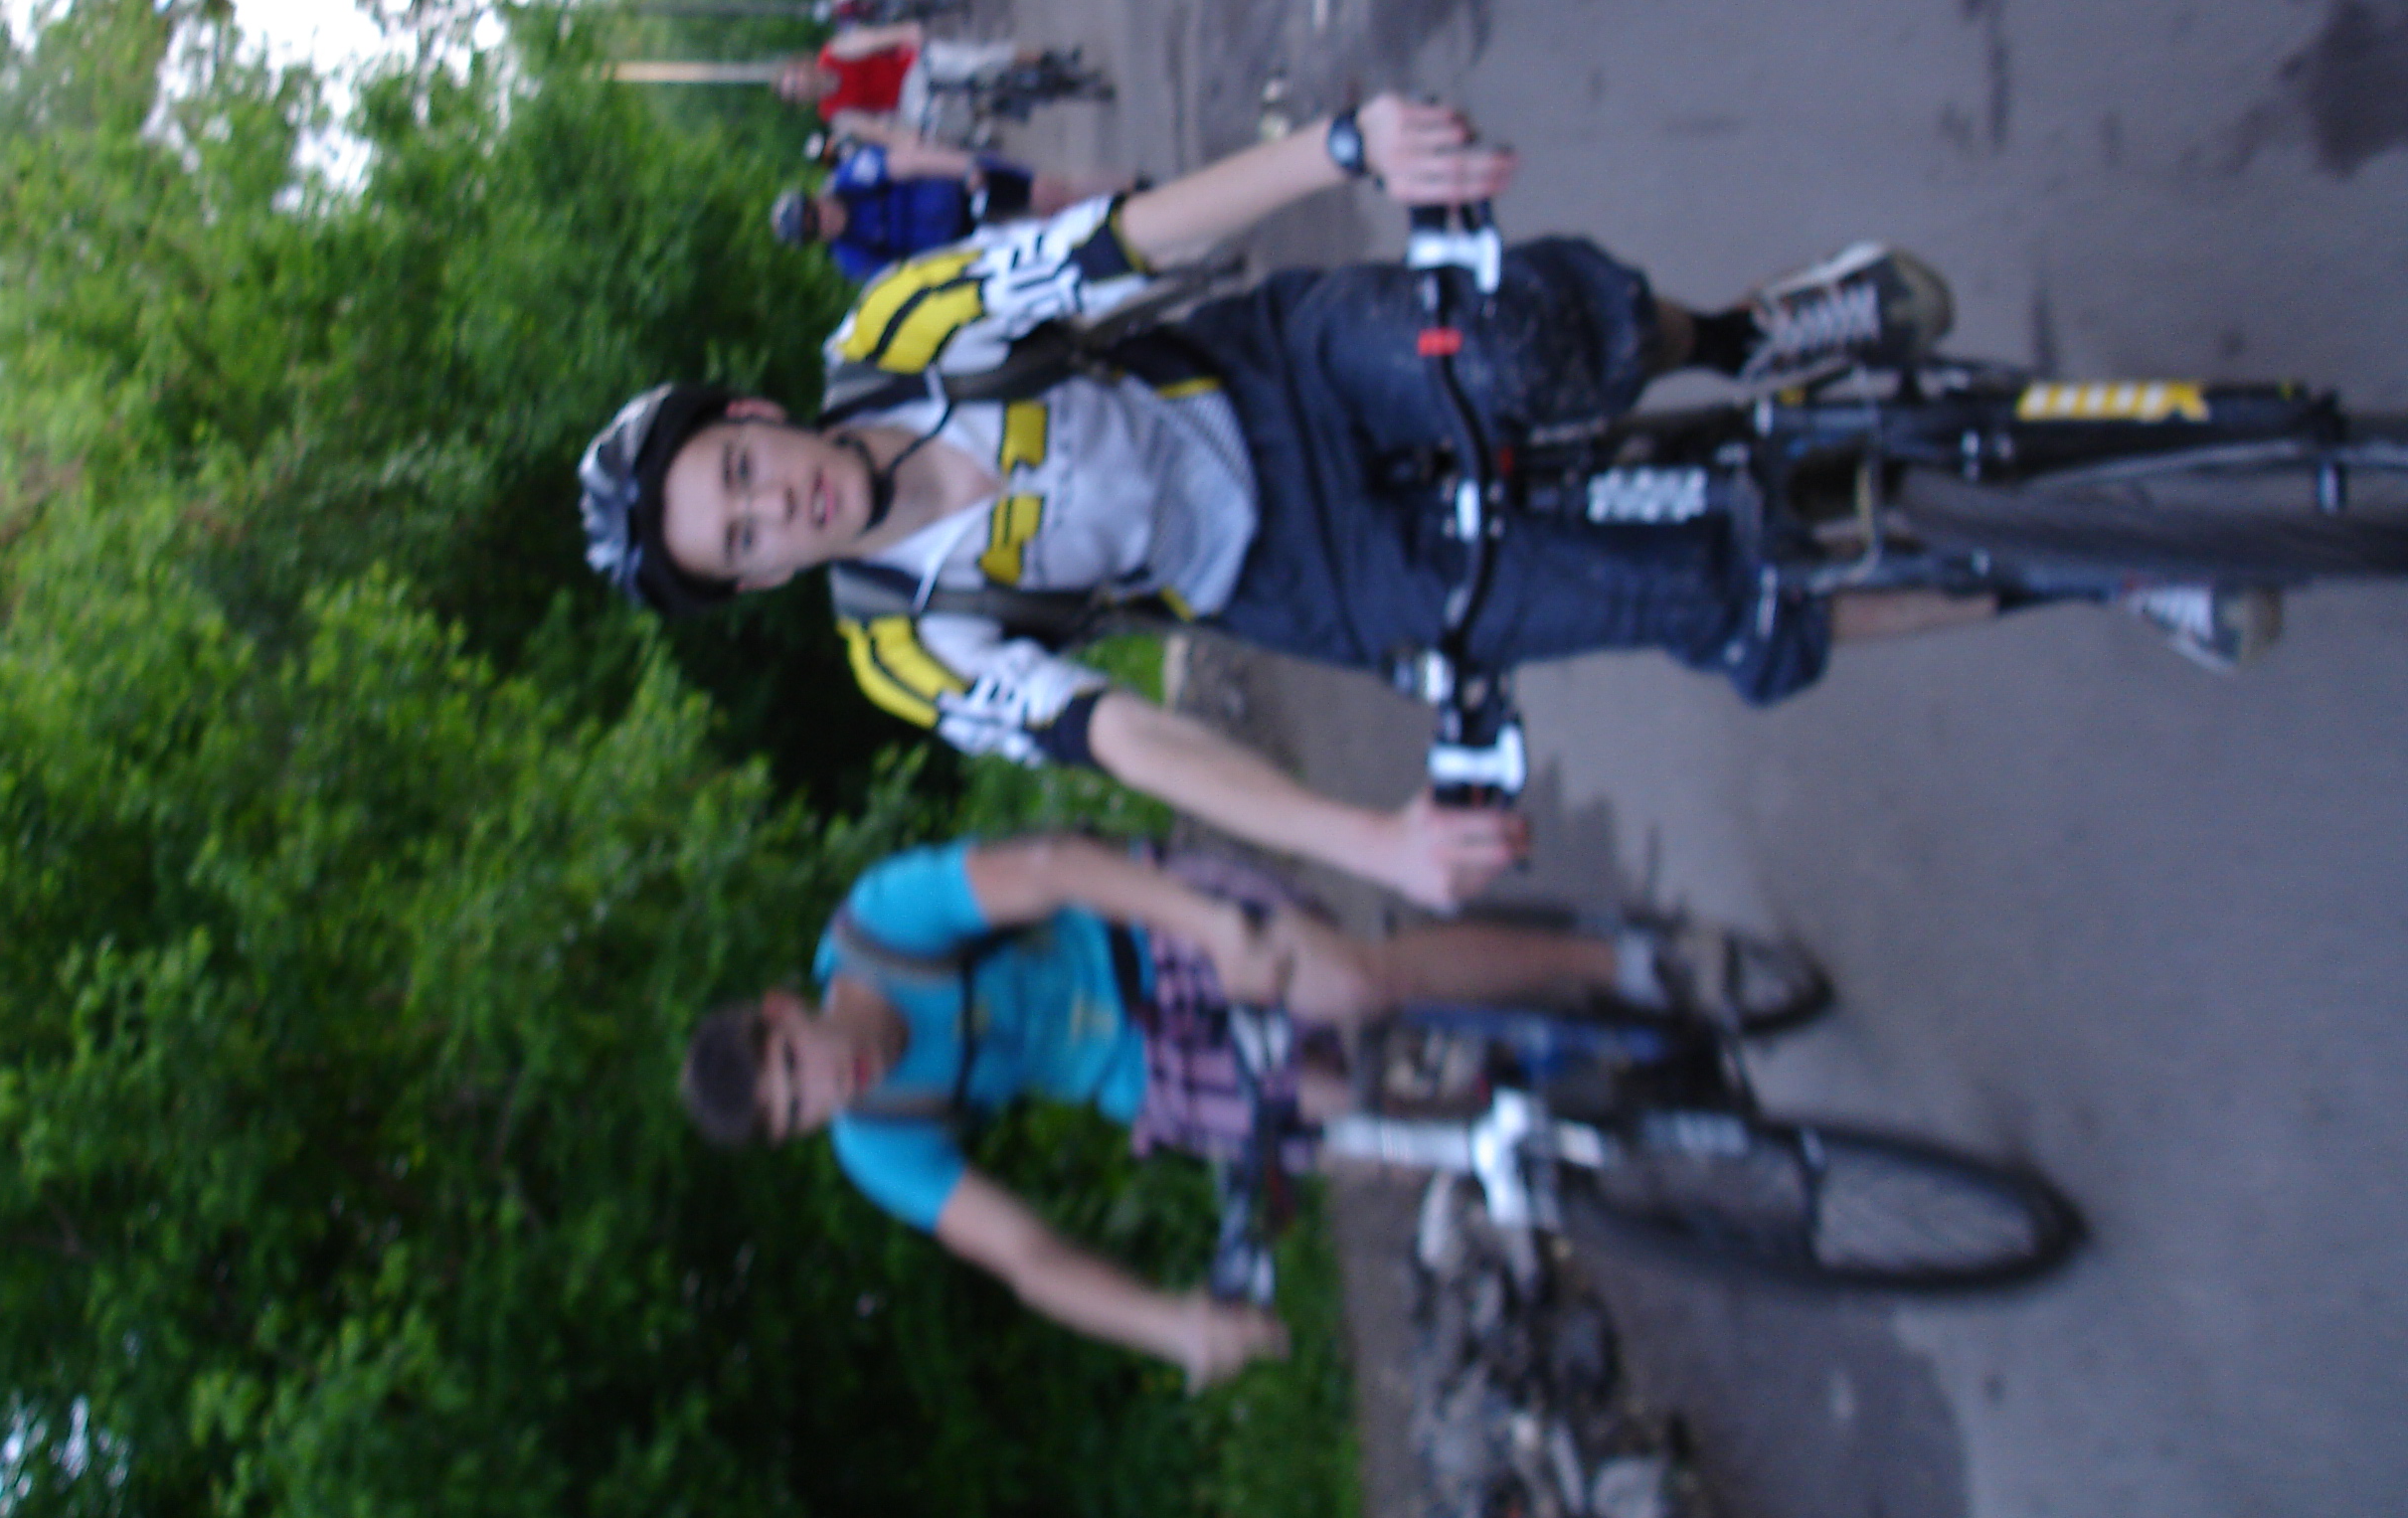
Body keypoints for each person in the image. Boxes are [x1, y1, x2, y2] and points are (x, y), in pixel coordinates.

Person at [580, 93, 2269, 909]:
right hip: (1303, 575)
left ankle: (1751, 333)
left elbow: (1119, 244)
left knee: (1524, 335)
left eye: (739, 473)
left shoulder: (898, 333)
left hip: (1277, 375)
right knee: (1704, 592)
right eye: (744, 541)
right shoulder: (902, 646)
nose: (777, 507)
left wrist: (1341, 145)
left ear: (751, 415)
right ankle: (2109, 572)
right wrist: (1366, 840)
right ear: (759, 581)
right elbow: (1128, 739)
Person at [679, 829, 1806, 1385]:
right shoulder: (878, 1144)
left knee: (1356, 984)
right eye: (798, 1111)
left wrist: (1215, 929)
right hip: (1140, 1074)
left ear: (787, 1010)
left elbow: (1056, 867)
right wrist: (1171, 1324)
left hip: (1146, 929)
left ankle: (1622, 961)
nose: (826, 1089)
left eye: (795, 1065)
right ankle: (1597, 1111)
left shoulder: (884, 925)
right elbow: (1026, 1256)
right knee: (1361, 1129)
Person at [773, 130, 1118, 284]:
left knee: (1051, 192)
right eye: (813, 231)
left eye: (814, 213)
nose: (822, 222)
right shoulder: (851, 258)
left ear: (815, 198)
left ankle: (1128, 189)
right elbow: (906, 275)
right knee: (1052, 248)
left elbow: (912, 162)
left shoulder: (852, 177)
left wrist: (966, 169)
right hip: (963, 243)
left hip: (961, 188)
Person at [771, 21, 1038, 138]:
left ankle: (1038, 57)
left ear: (802, 67)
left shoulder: (834, 52)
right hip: (905, 102)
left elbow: (872, 40)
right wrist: (901, 137)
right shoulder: (831, 112)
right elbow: (867, 127)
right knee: (934, 124)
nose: (801, 87)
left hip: (911, 66)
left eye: (796, 80)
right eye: (795, 92)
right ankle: (984, 113)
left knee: (975, 60)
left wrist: (905, 33)